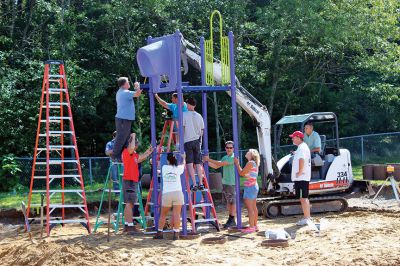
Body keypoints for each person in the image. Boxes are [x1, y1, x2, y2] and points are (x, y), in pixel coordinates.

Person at [122, 133, 153, 233]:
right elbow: (131, 148)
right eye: (135, 144)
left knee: (130, 204)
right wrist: (133, 136)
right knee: (129, 203)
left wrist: (149, 151)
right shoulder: (127, 151)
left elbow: (141, 158)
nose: (137, 145)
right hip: (129, 180)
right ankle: (130, 226)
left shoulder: (134, 154)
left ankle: (127, 225)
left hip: (133, 180)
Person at [203, 141, 236, 228]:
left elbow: (220, 163)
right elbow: (216, 166)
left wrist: (208, 159)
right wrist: (204, 162)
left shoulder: (233, 157)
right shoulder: (225, 157)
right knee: (229, 203)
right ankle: (231, 219)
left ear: (233, 149)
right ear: (225, 148)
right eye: (227, 148)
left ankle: (232, 220)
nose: (229, 149)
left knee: (232, 202)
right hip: (225, 182)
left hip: (231, 183)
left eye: (230, 148)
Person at [154, 153, 185, 241]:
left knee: (163, 214)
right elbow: (183, 164)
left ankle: (159, 232)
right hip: (177, 193)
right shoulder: (178, 168)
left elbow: (158, 165)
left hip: (167, 193)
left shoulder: (164, 168)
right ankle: (176, 234)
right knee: (177, 214)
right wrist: (184, 158)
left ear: (167, 160)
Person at [112, 77, 142, 162]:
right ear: (124, 84)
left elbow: (136, 94)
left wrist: (137, 89)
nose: (129, 83)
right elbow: (137, 94)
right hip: (123, 119)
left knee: (125, 138)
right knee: (121, 137)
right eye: (128, 82)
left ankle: (121, 155)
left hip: (125, 119)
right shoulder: (125, 92)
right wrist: (137, 87)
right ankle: (115, 156)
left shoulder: (122, 92)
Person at [234, 149, 260, 233]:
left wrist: (237, 164)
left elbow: (241, 173)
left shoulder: (250, 163)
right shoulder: (254, 163)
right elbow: (246, 174)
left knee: (250, 209)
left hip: (250, 187)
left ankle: (251, 227)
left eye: (249, 151)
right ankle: (255, 226)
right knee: (253, 207)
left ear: (252, 154)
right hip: (254, 186)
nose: (247, 152)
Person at [289, 130, 312, 226]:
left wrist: (300, 171)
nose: (292, 139)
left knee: (303, 198)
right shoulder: (301, 148)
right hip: (301, 177)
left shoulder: (302, 148)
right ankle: (307, 217)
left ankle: (307, 218)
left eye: (293, 137)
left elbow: (302, 160)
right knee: (303, 198)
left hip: (301, 177)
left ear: (298, 138)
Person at [182, 97, 205, 191]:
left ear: (188, 104)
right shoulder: (199, 116)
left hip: (188, 141)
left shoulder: (184, 115)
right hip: (197, 141)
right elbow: (202, 130)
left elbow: (182, 128)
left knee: (190, 164)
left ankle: (194, 184)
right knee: (198, 163)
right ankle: (201, 183)